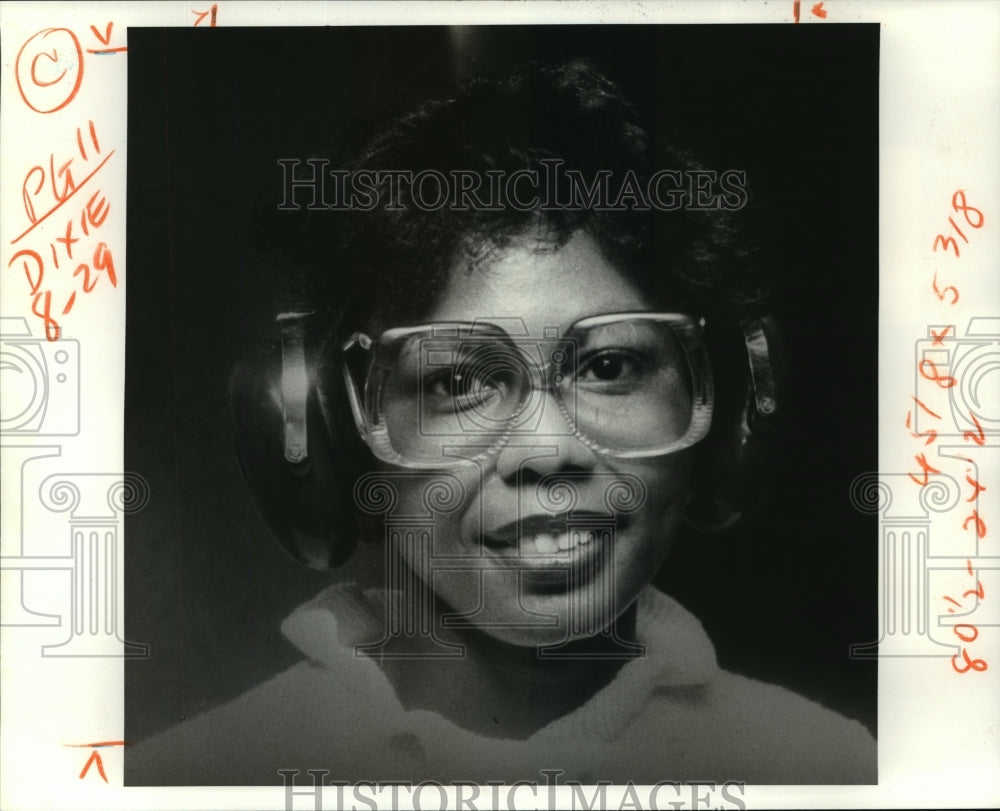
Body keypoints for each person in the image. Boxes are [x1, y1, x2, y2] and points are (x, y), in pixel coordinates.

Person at [128, 61, 876, 786]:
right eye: (457, 380)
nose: (546, 451)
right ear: (335, 432)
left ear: (725, 406)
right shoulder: (190, 779)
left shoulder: (829, 768)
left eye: (609, 366)